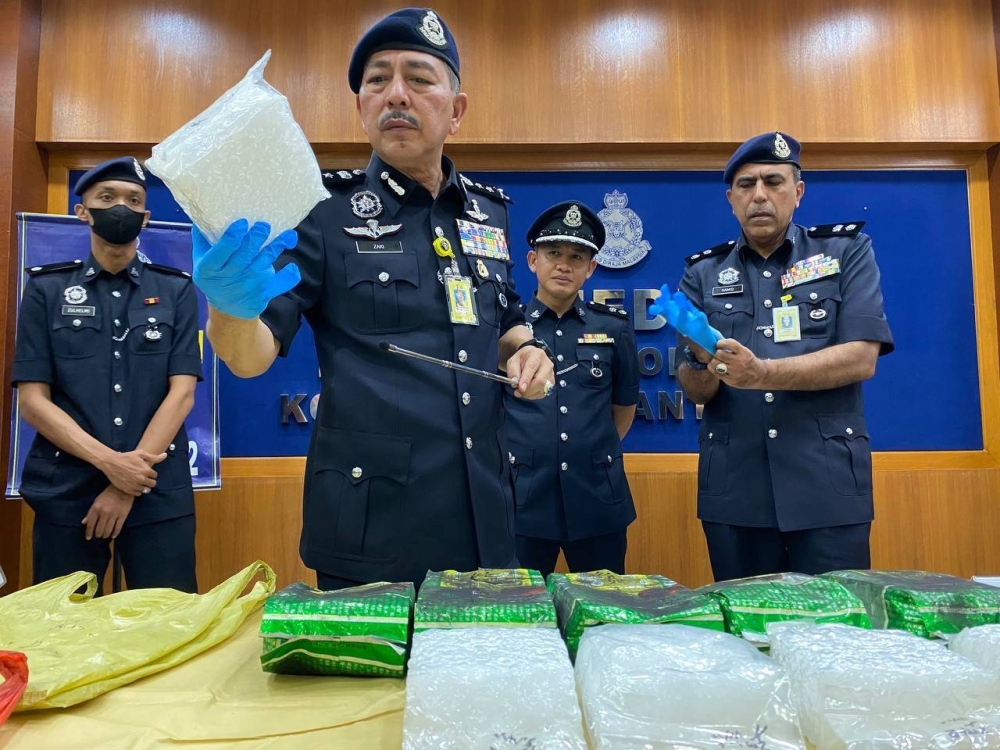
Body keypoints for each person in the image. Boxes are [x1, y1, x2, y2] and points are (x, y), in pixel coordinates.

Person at [192, 8, 554, 589]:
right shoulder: (320, 213)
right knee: (367, 684)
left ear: (455, 110)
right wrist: (228, 306)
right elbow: (249, 355)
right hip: (372, 522)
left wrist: (526, 347)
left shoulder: (488, 213)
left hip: (486, 511)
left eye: (419, 77)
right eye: (377, 80)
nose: (396, 95)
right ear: (360, 106)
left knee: (478, 677)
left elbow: (502, 314)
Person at [676, 132, 894, 581]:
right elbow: (696, 387)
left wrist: (762, 372)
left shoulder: (845, 251)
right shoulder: (702, 272)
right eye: (746, 185)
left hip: (826, 486)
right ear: (730, 199)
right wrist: (703, 361)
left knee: (836, 630)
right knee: (745, 632)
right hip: (736, 491)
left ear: (798, 192)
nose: (759, 195)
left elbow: (861, 358)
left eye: (773, 182)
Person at [12, 156, 202, 592]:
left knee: (166, 626)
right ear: (83, 210)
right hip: (68, 491)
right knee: (63, 630)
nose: (121, 206)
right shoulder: (46, 290)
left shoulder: (175, 290)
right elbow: (33, 401)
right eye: (107, 197)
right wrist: (111, 465)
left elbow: (183, 395)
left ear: (145, 217)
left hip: (156, 491)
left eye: (133, 200)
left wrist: (125, 486)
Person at [505, 201, 639, 578]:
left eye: (577, 256)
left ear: (591, 268)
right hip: (523, 501)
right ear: (533, 261)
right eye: (553, 253)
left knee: (601, 613)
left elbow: (623, 408)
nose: (564, 265)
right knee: (523, 618)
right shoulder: (507, 331)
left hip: (597, 498)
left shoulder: (614, 329)